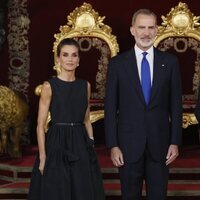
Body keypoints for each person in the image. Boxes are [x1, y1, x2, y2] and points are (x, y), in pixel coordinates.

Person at [105, 9, 182, 200]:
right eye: (141, 27)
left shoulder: (170, 62)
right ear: (132, 30)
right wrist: (113, 145)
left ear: (157, 30)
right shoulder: (117, 64)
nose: (146, 33)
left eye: (150, 27)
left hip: (161, 146)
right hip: (128, 147)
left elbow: (175, 105)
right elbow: (110, 107)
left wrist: (175, 141)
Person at [28, 38, 105, 200]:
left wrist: (90, 144)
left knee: (82, 189)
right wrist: (43, 157)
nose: (70, 59)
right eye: (65, 55)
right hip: (57, 142)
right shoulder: (49, 86)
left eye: (74, 55)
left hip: (80, 142)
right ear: (58, 59)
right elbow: (40, 125)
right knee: (58, 190)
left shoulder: (85, 86)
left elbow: (86, 120)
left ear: (78, 60)